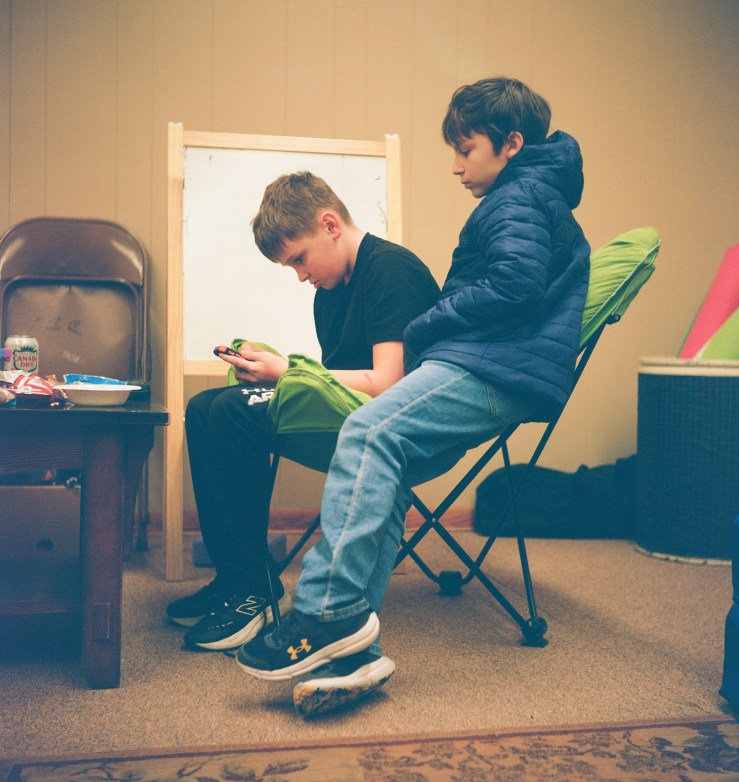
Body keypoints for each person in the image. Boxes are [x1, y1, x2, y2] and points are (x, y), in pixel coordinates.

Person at [234, 76, 591, 716]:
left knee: (368, 430)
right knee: (384, 456)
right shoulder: (528, 196)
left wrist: (430, 322)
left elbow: (515, 286)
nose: (456, 165)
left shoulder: (519, 198)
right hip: (490, 362)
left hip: (494, 368)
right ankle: (354, 654)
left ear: (511, 144)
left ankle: (325, 613)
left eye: (466, 149)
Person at [166, 171, 440, 656]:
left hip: (396, 427)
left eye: (299, 259)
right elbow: (339, 381)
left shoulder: (391, 271)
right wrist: (274, 370)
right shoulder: (329, 293)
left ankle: (252, 589)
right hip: (354, 416)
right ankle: (236, 577)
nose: (300, 275)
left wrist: (288, 372)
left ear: (330, 225)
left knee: (232, 412)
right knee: (204, 406)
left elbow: (389, 384)